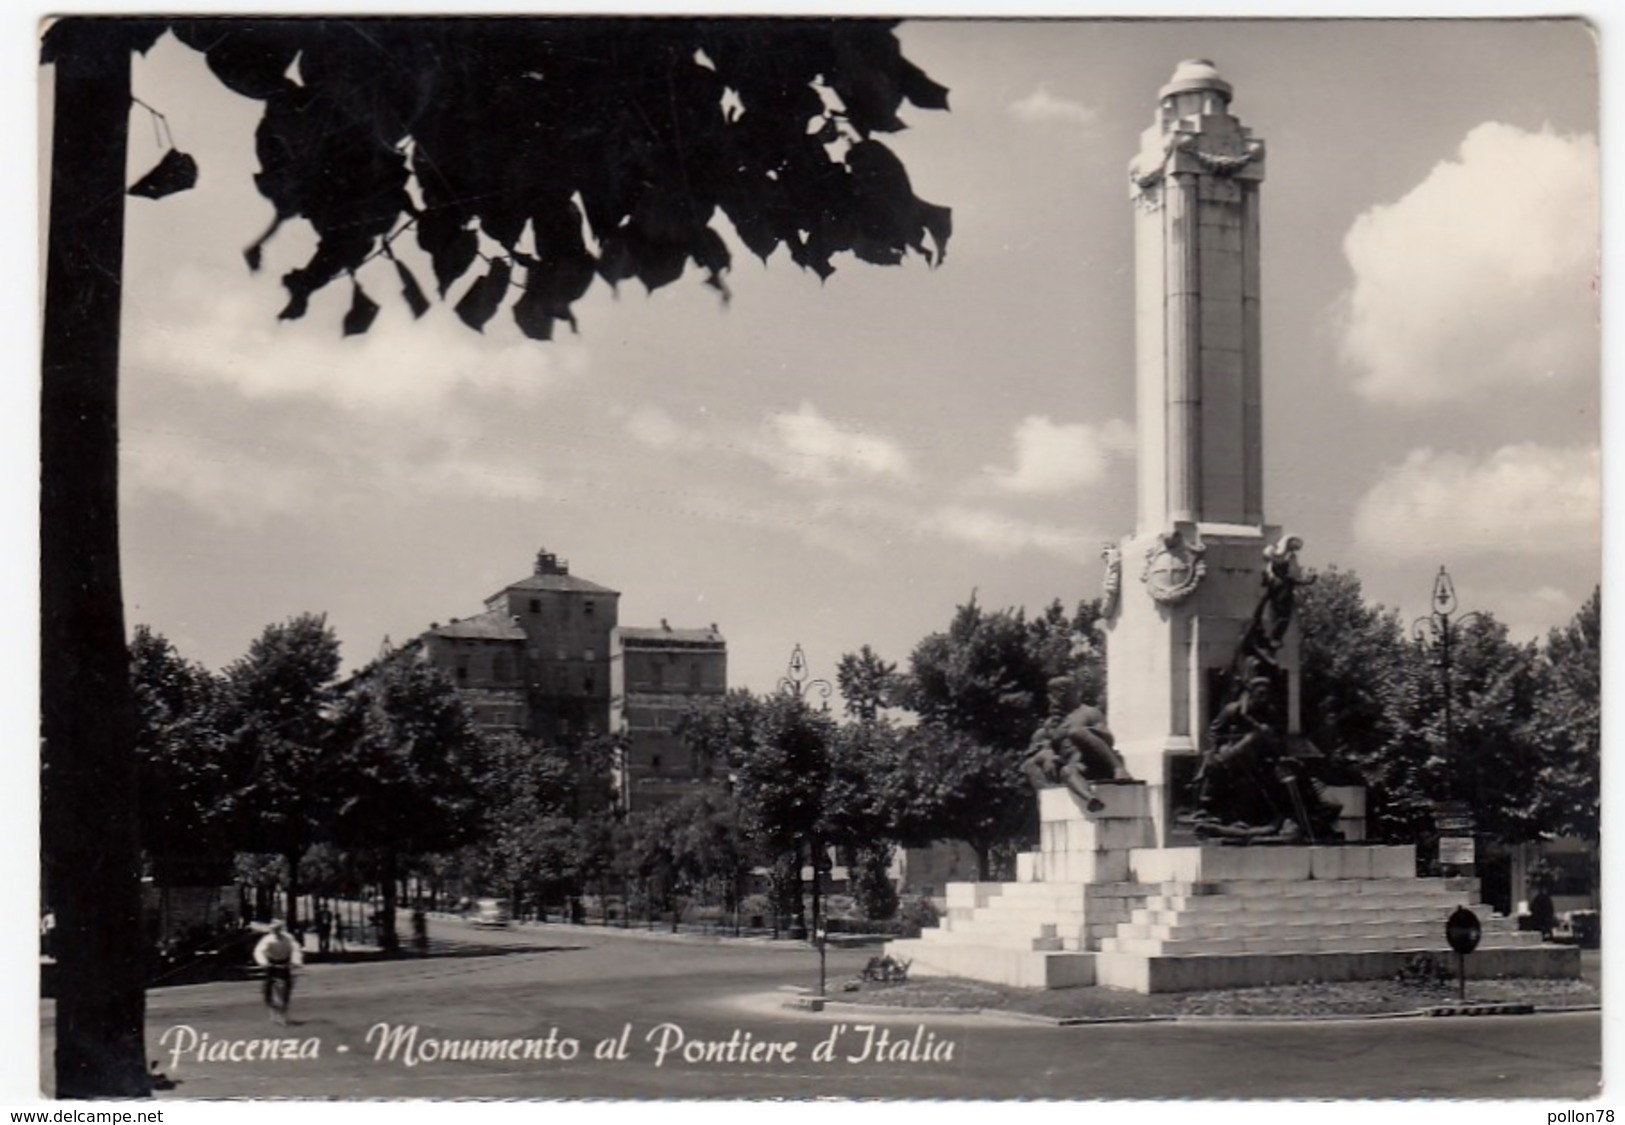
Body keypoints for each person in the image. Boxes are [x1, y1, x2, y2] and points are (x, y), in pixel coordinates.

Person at [253, 919, 304, 1024]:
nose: (276, 931)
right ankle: (272, 1010)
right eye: (274, 929)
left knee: (286, 989)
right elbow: (259, 951)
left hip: (285, 964)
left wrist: (296, 962)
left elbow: (296, 949)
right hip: (271, 965)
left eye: (278, 929)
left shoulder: (288, 938)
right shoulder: (268, 940)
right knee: (268, 989)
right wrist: (264, 962)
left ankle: (283, 1012)